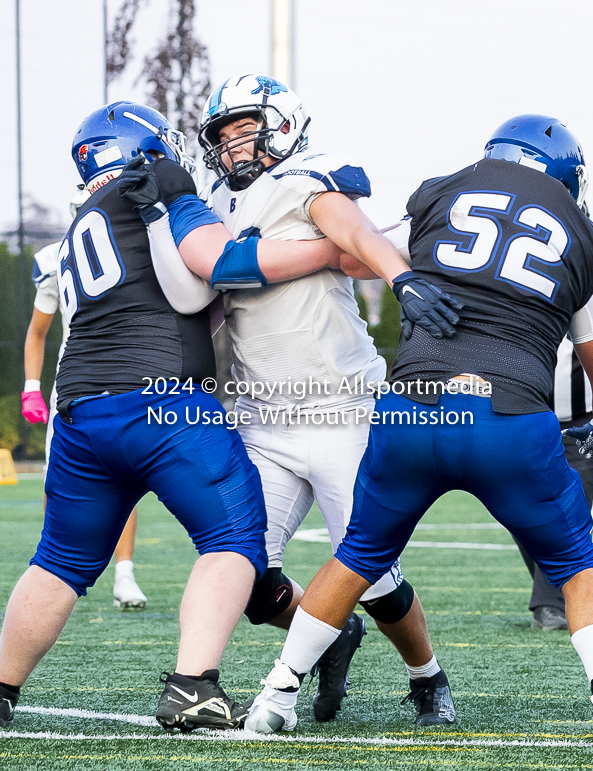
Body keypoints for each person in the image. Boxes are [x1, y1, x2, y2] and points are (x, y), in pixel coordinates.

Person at [245, 114, 593, 742]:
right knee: (574, 564)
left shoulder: (439, 192)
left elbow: (356, 257)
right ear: (569, 176)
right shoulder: (584, 238)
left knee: (357, 558)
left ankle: (275, 696)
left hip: (413, 408)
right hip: (508, 417)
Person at [0, 100, 350, 732]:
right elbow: (208, 276)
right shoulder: (157, 191)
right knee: (236, 540)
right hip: (162, 399)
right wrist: (332, 248)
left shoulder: (86, 217)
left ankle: (1, 689)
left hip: (81, 409)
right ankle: (194, 688)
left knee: (59, 559)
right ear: (147, 146)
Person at [130, 73, 463, 730]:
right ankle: (334, 641)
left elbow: (354, 230)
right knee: (244, 566)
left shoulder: (307, 178)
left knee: (371, 572)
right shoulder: (212, 207)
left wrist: (401, 277)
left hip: (341, 405)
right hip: (262, 418)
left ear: (282, 124)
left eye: (244, 128)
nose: (232, 145)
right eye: (222, 136)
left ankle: (427, 677)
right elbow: (209, 287)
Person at [23, 195, 147, 611]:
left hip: (127, 380)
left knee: (125, 478)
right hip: (74, 384)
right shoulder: (55, 259)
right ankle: (52, 572)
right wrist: (30, 387)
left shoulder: (142, 247)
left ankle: (124, 574)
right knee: (57, 483)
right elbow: (38, 331)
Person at [519, 266, 593, 630]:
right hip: (518, 413)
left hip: (586, 421)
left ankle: (551, 604)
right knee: (520, 509)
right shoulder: (510, 268)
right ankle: (558, 592)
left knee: (571, 504)